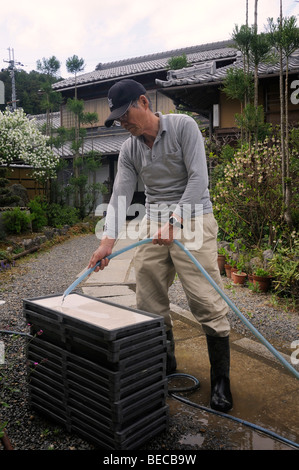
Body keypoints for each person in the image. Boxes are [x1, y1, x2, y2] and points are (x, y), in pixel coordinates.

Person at [88, 79, 233, 412]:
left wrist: (175, 222)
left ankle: (221, 380)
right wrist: (107, 241)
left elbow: (199, 178)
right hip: (154, 221)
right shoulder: (130, 148)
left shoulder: (184, 127)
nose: (123, 122)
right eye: (118, 118)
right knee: (148, 297)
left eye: (126, 114)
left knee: (205, 300)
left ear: (144, 102)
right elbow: (120, 196)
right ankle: (166, 365)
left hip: (193, 216)